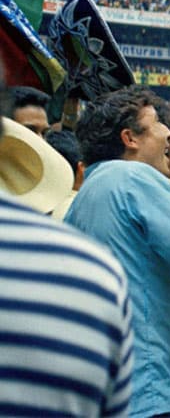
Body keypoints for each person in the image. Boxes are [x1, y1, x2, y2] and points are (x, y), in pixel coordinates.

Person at [64, 85, 170, 417]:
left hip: (112, 386)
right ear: (130, 138)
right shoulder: (134, 177)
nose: (169, 133)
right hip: (148, 389)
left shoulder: (89, 190)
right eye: (157, 123)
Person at [0, 62, 134, 417]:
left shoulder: (86, 269)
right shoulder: (90, 272)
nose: (38, 146)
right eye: (28, 132)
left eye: (44, 134)